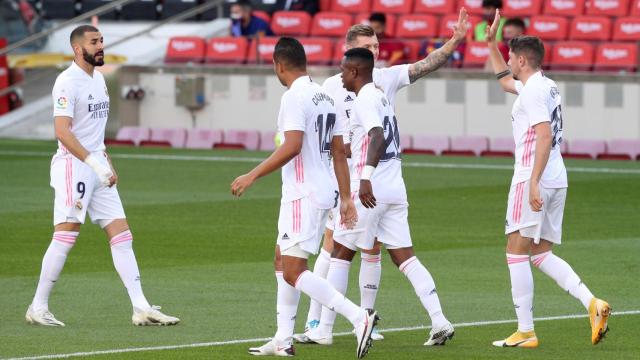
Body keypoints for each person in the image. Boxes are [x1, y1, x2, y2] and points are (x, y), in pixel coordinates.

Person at [295, 8, 470, 346]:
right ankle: (438, 319)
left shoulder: (375, 85)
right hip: (383, 182)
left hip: (365, 180)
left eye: (377, 45)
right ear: (350, 53)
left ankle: (329, 327)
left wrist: (454, 41)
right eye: (369, 46)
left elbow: (375, 134)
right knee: (397, 255)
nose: (376, 51)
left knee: (340, 253)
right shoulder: (335, 87)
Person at [231, 36, 378, 358]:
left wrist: (251, 175)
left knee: (294, 270)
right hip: (322, 189)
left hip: (303, 192)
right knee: (282, 259)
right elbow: (340, 153)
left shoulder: (293, 97)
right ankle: (283, 338)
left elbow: (292, 145)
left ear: (278, 65)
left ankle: (358, 317)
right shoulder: (325, 96)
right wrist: (346, 198)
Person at [26, 25, 179, 327]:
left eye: (101, 41)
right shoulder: (67, 82)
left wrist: (106, 161)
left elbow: (94, 130)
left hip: (97, 165)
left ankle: (141, 307)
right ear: (77, 49)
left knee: (122, 234)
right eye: (94, 42)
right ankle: (38, 306)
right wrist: (93, 164)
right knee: (67, 234)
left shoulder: (98, 79)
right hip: (74, 165)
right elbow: (62, 131)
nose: (100, 47)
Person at [485, 10, 610, 348]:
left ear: (522, 60)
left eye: (511, 56)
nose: (508, 61)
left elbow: (542, 136)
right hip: (558, 176)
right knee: (540, 253)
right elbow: (503, 81)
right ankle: (592, 303)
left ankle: (526, 331)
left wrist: (534, 181)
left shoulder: (532, 93)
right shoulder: (546, 85)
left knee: (515, 250)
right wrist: (491, 44)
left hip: (533, 176)